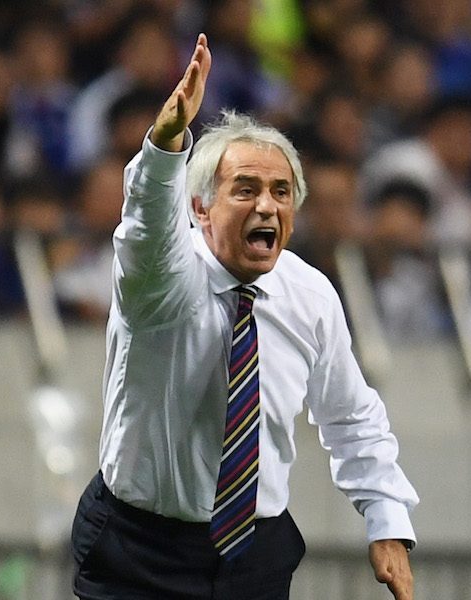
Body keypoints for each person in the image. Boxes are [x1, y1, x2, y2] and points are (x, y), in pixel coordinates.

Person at [70, 34, 418, 600]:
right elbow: (145, 228)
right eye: (246, 189)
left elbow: (351, 415)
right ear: (200, 208)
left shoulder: (310, 295)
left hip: (256, 552)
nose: (266, 206)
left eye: (281, 192)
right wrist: (164, 146)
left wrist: (386, 519)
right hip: (140, 549)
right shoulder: (160, 278)